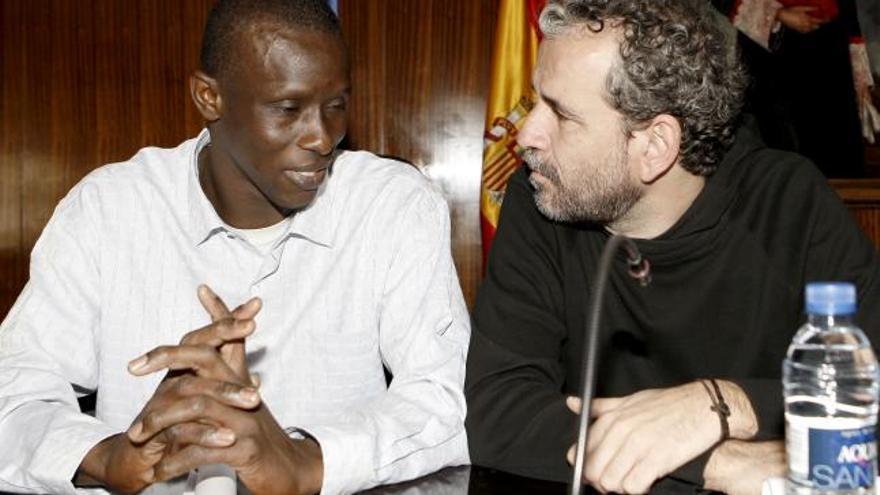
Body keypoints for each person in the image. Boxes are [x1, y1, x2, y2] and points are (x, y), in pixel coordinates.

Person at [0, 0, 470, 493]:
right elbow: (13, 395)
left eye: (337, 106)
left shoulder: (390, 205)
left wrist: (304, 461)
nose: (323, 137)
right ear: (209, 97)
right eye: (289, 110)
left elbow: (442, 402)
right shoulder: (109, 208)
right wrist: (107, 456)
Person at [465, 0, 880, 494]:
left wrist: (728, 404)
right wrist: (715, 461)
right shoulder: (538, 198)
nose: (527, 135)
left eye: (560, 113)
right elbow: (498, 412)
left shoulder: (787, 202)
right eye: (537, 100)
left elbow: (867, 381)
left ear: (656, 146)